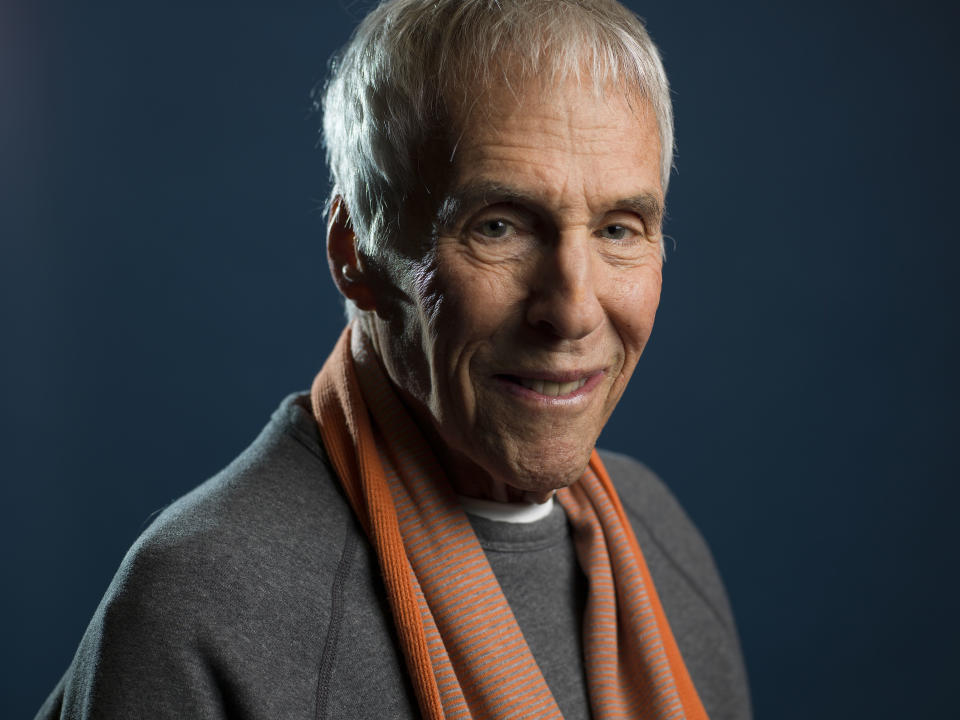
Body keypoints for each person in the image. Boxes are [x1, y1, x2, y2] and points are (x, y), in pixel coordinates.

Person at [36, 1, 751, 718]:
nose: (572, 309)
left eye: (619, 229)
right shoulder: (203, 608)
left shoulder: (661, 540)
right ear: (355, 253)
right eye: (499, 225)